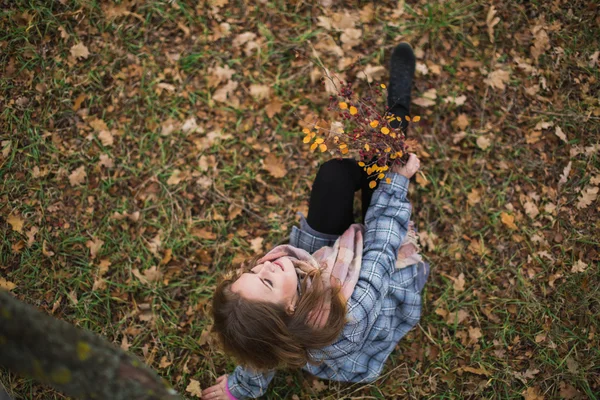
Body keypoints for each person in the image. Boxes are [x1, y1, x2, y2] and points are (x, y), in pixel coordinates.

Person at [202, 43, 429, 400]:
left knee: (334, 177)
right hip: (379, 274)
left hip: (324, 268)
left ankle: (371, 165)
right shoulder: (351, 314)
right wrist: (396, 180)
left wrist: (239, 389)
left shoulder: (271, 323)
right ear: (290, 309)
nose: (268, 263)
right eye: (266, 280)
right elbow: (382, 247)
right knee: (386, 172)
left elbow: (257, 353)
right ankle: (398, 106)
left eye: (252, 270)